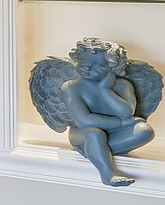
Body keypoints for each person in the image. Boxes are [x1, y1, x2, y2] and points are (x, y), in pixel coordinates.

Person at [61, 38, 154, 187]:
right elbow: (84, 121)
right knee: (94, 134)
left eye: (98, 66)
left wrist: (106, 90)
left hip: (114, 133)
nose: (88, 68)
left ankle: (95, 151)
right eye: (84, 63)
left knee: (145, 130)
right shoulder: (71, 87)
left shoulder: (123, 85)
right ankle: (107, 172)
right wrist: (121, 123)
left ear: (113, 68)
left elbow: (126, 113)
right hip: (83, 134)